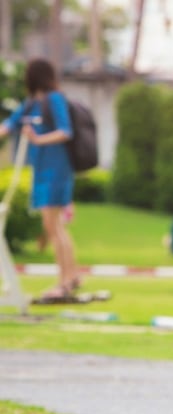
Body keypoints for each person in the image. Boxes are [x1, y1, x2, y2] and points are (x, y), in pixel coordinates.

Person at [0, 59, 79, 301]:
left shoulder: (54, 99)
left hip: (56, 170)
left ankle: (65, 282)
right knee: (55, 227)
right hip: (41, 171)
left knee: (53, 226)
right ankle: (72, 277)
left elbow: (65, 131)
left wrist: (37, 139)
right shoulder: (30, 103)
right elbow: (9, 125)